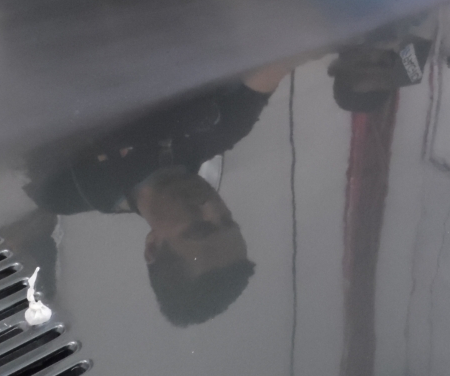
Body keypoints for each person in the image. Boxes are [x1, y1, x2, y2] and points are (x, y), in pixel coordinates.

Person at [26, 66, 289, 326]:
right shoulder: (225, 128)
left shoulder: (66, 188)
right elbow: (279, 56)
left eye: (198, 228)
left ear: (152, 246)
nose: (210, 206)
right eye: (226, 219)